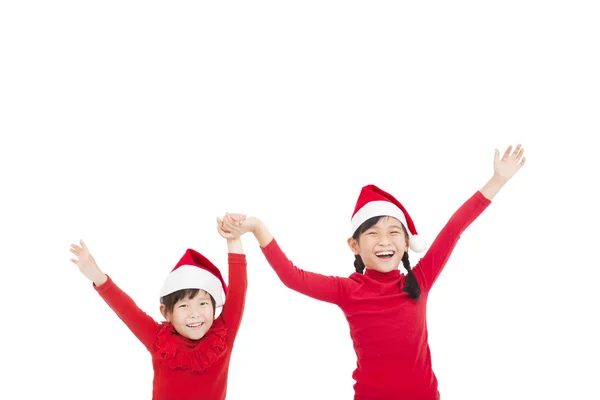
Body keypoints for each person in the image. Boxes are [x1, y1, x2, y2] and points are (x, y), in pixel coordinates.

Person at [218, 145, 526, 400]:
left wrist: (497, 180)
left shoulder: (418, 280)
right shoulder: (348, 290)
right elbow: (291, 276)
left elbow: (454, 228)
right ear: (354, 245)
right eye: (373, 234)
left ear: (406, 243)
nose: (384, 241)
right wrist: (257, 228)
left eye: (394, 232)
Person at [69, 215, 248, 400]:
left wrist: (233, 239)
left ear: (213, 307)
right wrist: (97, 275)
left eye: (203, 304)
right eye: (184, 305)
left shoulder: (222, 336)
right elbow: (128, 310)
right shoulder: (159, 341)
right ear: (166, 313)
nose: (195, 314)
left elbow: (238, 291)